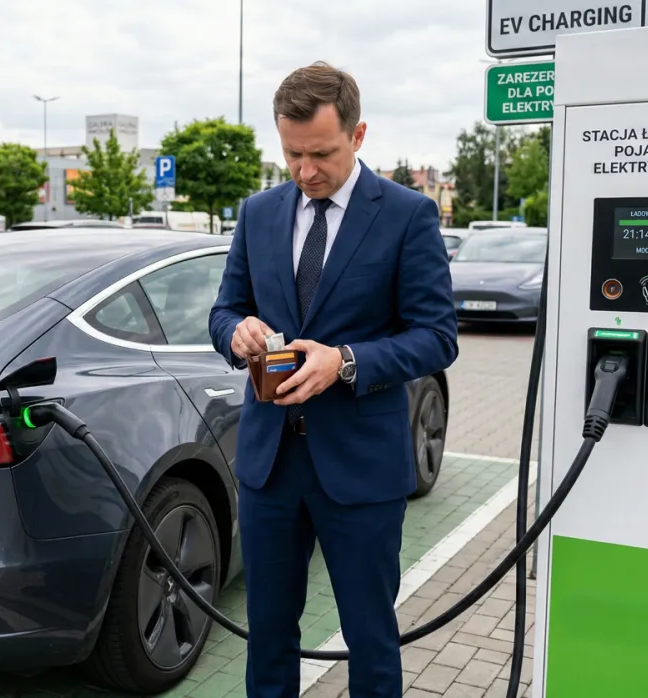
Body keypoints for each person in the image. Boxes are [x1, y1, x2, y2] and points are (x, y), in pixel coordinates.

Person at [207, 61, 458, 698]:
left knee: (370, 637)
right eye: (292, 154)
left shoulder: (407, 216)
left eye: (321, 153)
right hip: (268, 465)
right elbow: (224, 309)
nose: (305, 171)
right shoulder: (258, 213)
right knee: (268, 635)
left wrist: (344, 362)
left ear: (359, 133)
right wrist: (235, 335)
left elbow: (436, 338)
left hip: (360, 468)